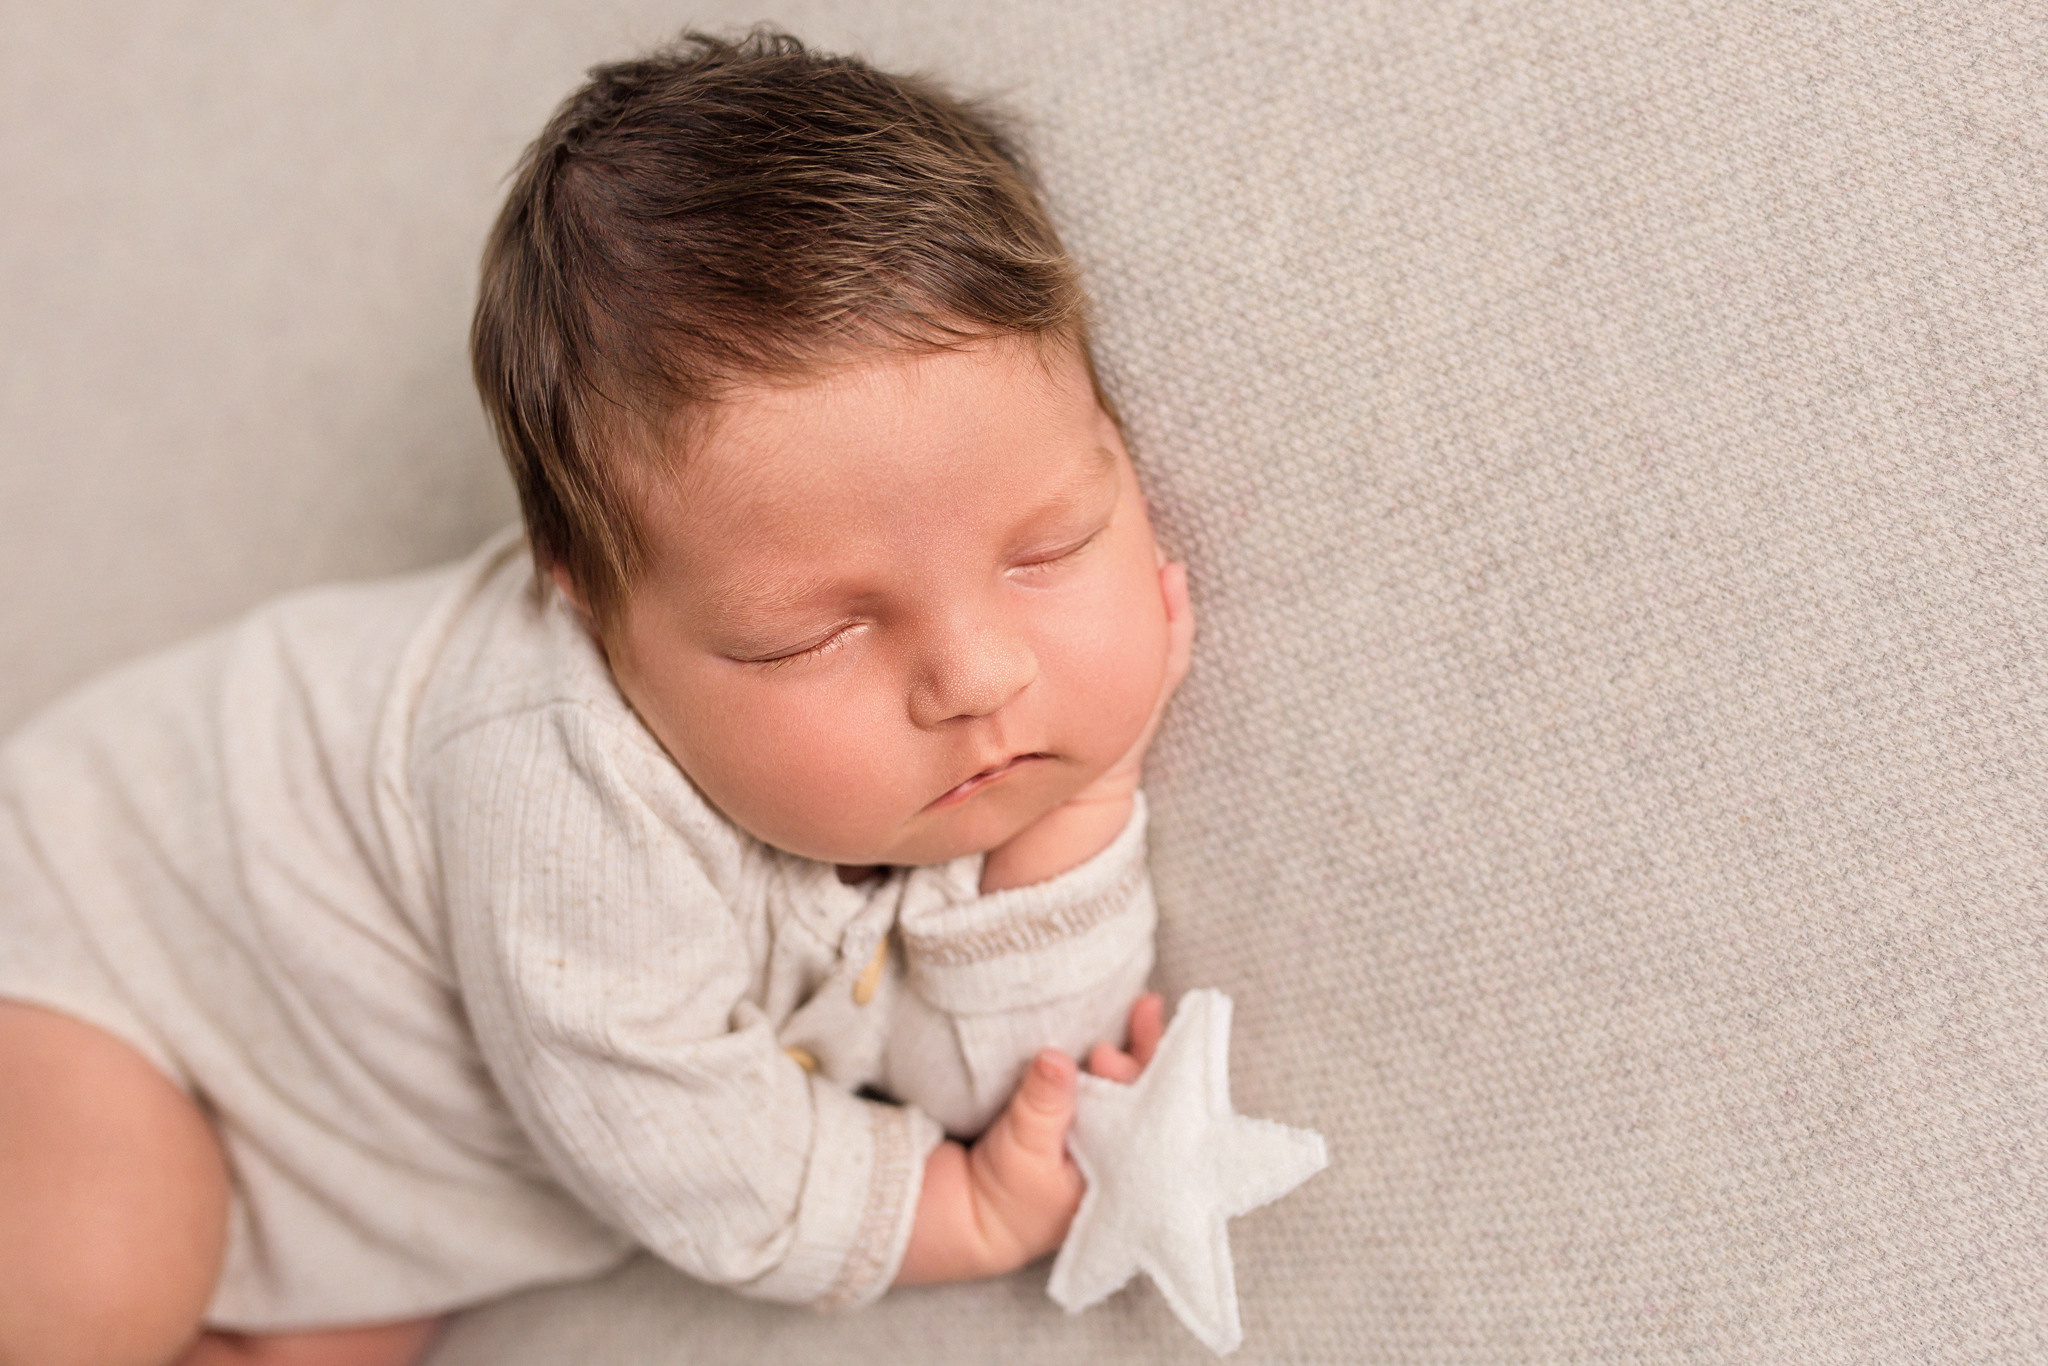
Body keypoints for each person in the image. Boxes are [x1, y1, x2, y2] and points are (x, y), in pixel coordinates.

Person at [0, 28, 1194, 1366]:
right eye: (810, 636)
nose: (981, 674)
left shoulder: (891, 747)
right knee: (106, 1265)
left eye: (1050, 549)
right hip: (101, 963)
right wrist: (949, 1208)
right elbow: (676, 1141)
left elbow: (1006, 1083)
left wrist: (1078, 807)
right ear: (592, 599)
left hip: (360, 1157)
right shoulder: (556, 785)